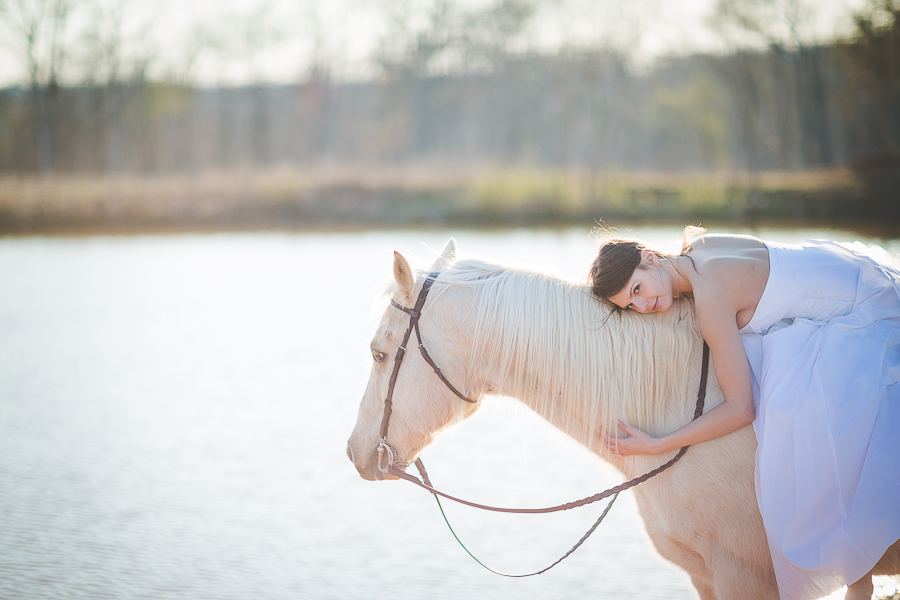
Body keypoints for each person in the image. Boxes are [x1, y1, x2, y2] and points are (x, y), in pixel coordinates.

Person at [588, 227, 900, 600]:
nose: (642, 306)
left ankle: (853, 566)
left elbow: (741, 408)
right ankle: (856, 571)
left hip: (861, 309)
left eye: (637, 289)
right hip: (858, 273)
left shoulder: (710, 300)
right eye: (629, 305)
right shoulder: (701, 246)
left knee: (791, 408)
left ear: (650, 257)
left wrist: (660, 443)